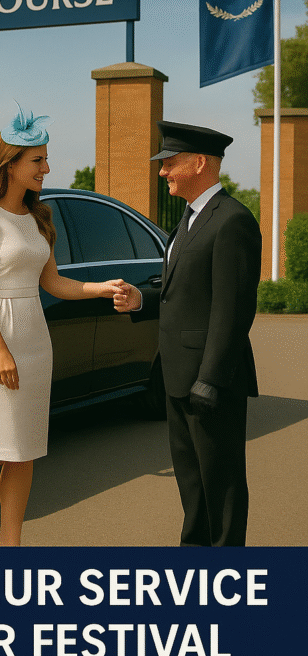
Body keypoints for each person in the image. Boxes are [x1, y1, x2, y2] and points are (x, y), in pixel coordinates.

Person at [0, 107, 126, 547]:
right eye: (37, 160)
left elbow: (53, 283)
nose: (46, 168)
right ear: (10, 163)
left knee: (25, 448)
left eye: (46, 159)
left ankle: (9, 543)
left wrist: (100, 288)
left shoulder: (40, 216)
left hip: (35, 337)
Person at [114, 121, 262, 547]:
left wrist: (210, 379)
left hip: (209, 380)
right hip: (178, 379)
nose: (163, 173)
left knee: (223, 485)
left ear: (199, 163)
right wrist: (141, 302)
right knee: (193, 485)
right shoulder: (189, 220)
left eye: (170, 164)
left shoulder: (232, 220)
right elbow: (183, 292)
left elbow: (232, 311)